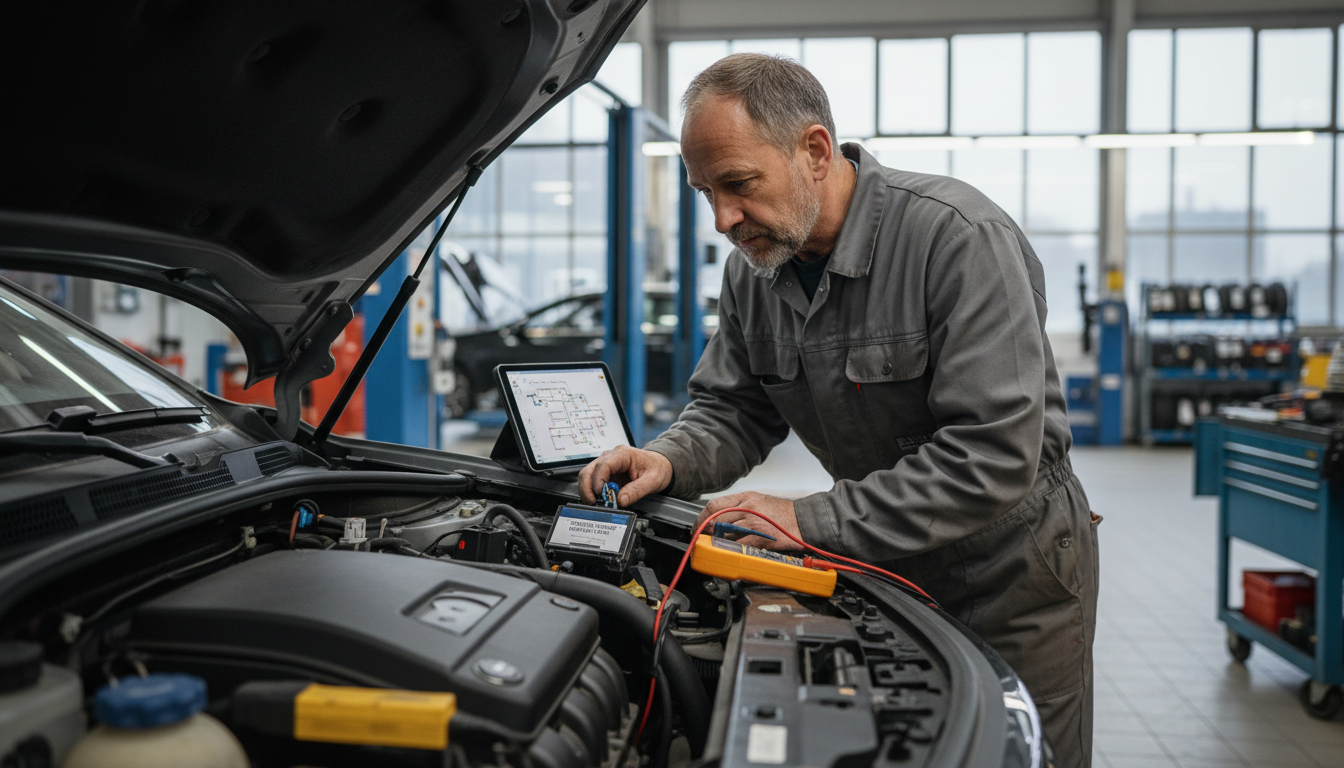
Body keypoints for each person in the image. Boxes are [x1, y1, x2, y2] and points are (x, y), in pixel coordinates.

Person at [578, 53, 1098, 768]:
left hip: (1007, 570)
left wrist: (802, 519)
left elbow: (992, 455)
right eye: (706, 193)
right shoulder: (753, 270)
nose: (724, 219)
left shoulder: (956, 238)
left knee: (1011, 752)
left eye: (738, 185)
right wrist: (667, 459)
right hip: (875, 557)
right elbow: (733, 408)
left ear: (815, 151)